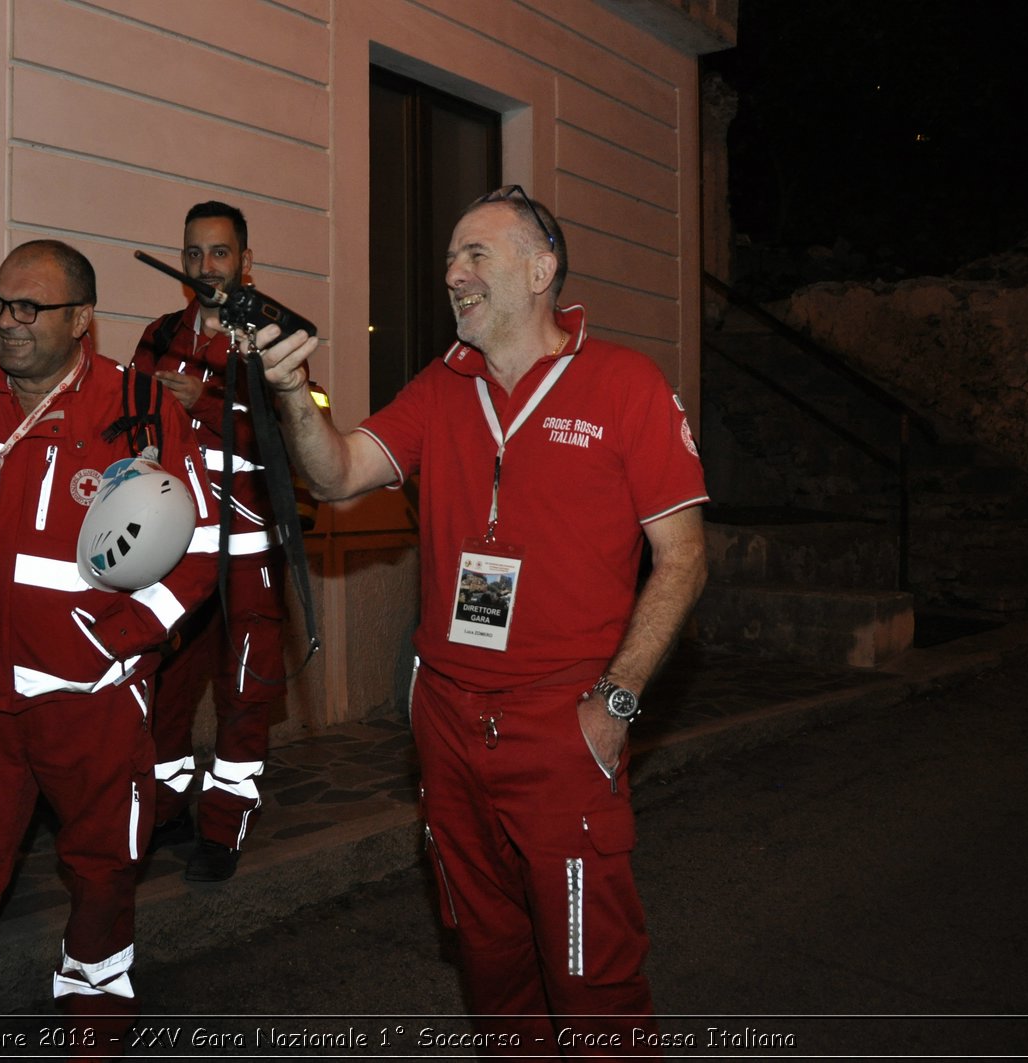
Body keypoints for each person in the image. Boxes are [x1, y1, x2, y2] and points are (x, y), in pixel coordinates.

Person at [256, 187, 709, 1053]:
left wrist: (614, 704)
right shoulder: (441, 386)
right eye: (451, 258)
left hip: (562, 721)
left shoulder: (624, 384)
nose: (453, 274)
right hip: (449, 722)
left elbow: (684, 558)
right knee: (489, 956)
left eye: (476, 256)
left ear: (541, 271)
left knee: (591, 971)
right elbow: (341, 469)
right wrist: (293, 390)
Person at [0, 240, 217, 1058]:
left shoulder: (137, 405)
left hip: (89, 698)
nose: (10, 323)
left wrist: (123, 638)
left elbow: (201, 546)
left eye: (32, 308)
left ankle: (95, 1000)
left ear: (83, 319)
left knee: (103, 864)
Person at [133, 202, 291, 882]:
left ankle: (223, 826)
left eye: (219, 253)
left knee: (246, 688)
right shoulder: (161, 333)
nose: (204, 267)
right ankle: (164, 806)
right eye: (194, 253)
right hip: (174, 548)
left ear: (245, 262)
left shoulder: (275, 337)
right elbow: (126, 424)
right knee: (164, 684)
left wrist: (203, 402)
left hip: (250, 546)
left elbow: (292, 439)